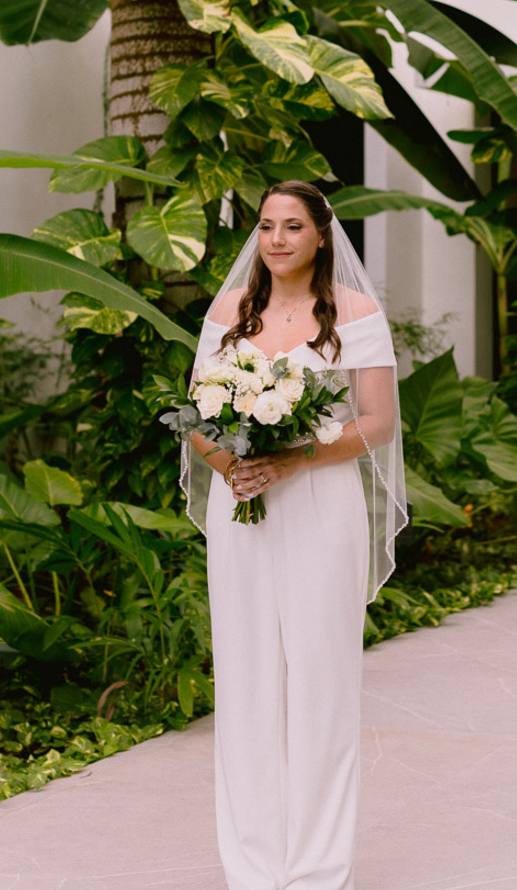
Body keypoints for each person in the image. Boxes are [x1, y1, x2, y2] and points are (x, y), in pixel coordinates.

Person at [180, 180, 408, 890]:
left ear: (320, 235)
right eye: (267, 225)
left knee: (320, 680)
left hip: (320, 502)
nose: (277, 238)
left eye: (293, 226)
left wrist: (294, 456)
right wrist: (236, 467)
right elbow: (196, 414)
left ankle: (315, 866)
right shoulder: (228, 313)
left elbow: (377, 422)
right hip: (241, 504)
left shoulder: (358, 314)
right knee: (247, 679)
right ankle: (251, 864)